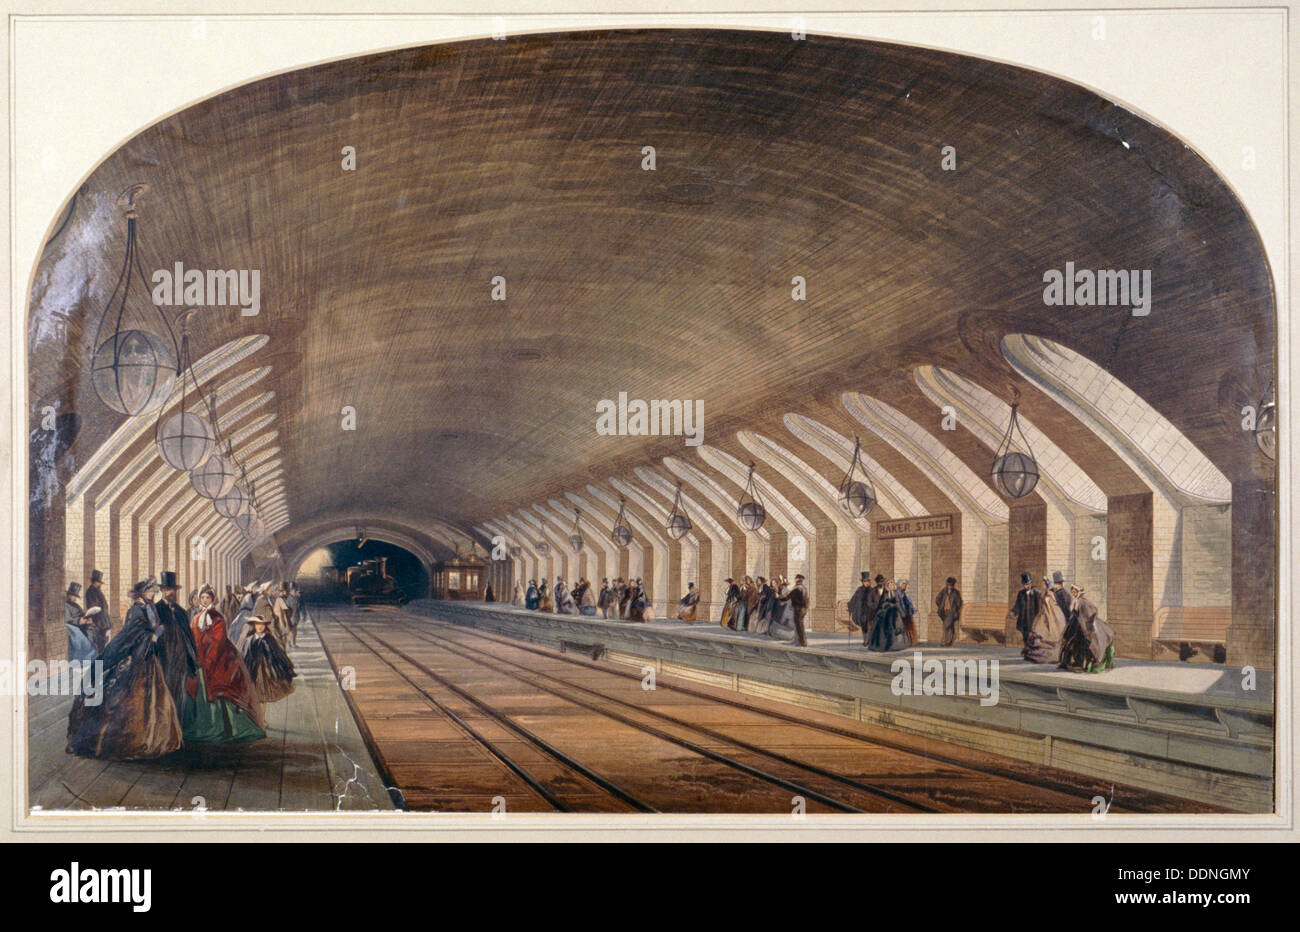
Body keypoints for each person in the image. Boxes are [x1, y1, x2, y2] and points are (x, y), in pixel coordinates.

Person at [66, 576, 185, 760]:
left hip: (149, 657)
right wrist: (150, 637)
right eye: (151, 590)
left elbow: (152, 627)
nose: (154, 593)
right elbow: (131, 634)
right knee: (126, 699)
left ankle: (155, 738)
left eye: (154, 590)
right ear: (142, 592)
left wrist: (157, 632)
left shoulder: (149, 606)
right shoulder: (136, 610)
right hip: (138, 658)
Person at [184, 584, 265, 743]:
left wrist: (208, 659)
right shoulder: (195, 618)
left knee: (220, 686)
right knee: (197, 688)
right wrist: (196, 656)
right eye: (202, 598)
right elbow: (194, 638)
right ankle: (202, 725)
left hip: (219, 658)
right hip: (200, 659)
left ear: (212, 599)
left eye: (207, 598)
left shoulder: (218, 618)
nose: (205, 600)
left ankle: (224, 728)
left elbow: (218, 641)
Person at [154, 572, 200, 722]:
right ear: (162, 591)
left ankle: (178, 733)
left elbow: (189, 637)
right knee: (163, 697)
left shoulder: (181, 612)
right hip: (164, 661)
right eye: (167, 590)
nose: (170, 593)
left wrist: (192, 660)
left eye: (172, 590)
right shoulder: (156, 610)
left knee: (179, 697)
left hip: (180, 662)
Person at [1059, 585, 1115, 673]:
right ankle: (1070, 663)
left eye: (1075, 592)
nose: (1073, 593)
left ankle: (1082, 665)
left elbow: (1093, 610)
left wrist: (1088, 621)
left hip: (1082, 626)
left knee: (1082, 646)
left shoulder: (1084, 601)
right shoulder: (1075, 601)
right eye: (1072, 592)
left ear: (1079, 592)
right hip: (1074, 625)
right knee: (1070, 644)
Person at [241, 613, 297, 702]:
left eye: (262, 625)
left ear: (265, 626)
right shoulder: (249, 639)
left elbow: (277, 653)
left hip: (267, 665)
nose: (260, 627)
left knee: (268, 679)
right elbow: (245, 653)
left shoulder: (269, 638)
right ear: (254, 626)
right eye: (258, 624)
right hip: (253, 664)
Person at [1022, 577, 1066, 665]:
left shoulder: (1049, 595)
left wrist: (1048, 618)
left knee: (1046, 634)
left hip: (1048, 616)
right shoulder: (1044, 593)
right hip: (1043, 615)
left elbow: (1050, 608)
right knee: (1038, 633)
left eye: (1043, 584)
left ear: (1046, 585)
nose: (1042, 585)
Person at [866, 579, 910, 652]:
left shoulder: (895, 593)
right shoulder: (885, 593)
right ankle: (884, 645)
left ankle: (896, 645)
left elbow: (898, 603)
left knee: (897, 626)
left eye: (892, 584)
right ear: (887, 586)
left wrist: (902, 612)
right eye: (889, 584)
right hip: (885, 612)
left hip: (894, 612)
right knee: (883, 628)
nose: (891, 585)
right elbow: (882, 602)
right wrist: (887, 605)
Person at [65, 583, 97, 664]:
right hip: (72, 625)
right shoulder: (65, 605)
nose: (75, 599)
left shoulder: (75, 605)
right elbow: (67, 619)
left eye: (76, 597)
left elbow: (82, 613)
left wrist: (87, 618)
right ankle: (85, 657)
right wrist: (79, 620)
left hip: (81, 624)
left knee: (92, 629)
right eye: (74, 596)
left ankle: (92, 654)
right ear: (69, 595)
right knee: (78, 636)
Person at [1009, 572, 1043, 647]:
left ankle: (1032, 653)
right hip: (1023, 620)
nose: (1027, 586)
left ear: (1031, 583)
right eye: (1025, 584)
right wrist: (1013, 612)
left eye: (1029, 584)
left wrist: (1038, 620)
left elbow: (1039, 608)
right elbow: (1017, 605)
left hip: (1033, 620)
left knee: (1033, 637)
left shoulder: (1037, 593)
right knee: (1025, 637)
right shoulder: (1021, 594)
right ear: (1023, 585)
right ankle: (1027, 652)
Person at [84, 570, 113, 653]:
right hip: (98, 622)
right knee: (99, 644)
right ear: (95, 582)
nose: (100, 584)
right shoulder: (91, 591)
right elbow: (94, 607)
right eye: (99, 582)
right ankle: (99, 665)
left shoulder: (97, 590)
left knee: (102, 643)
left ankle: (100, 664)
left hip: (102, 621)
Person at [935, 577, 963, 647]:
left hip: (951, 612)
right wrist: (941, 605)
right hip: (944, 611)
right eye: (948, 585)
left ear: (953, 585)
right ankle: (949, 641)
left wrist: (955, 609)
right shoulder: (943, 591)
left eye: (951, 585)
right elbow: (937, 599)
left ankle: (944, 641)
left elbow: (959, 603)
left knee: (946, 626)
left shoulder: (956, 593)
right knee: (950, 627)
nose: (949, 586)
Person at [847, 572, 874, 640]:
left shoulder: (872, 590)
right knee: (864, 626)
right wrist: (850, 606)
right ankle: (865, 639)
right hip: (862, 611)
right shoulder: (859, 590)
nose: (866, 583)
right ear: (862, 582)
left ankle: (869, 639)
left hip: (870, 611)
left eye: (868, 581)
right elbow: (854, 599)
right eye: (865, 581)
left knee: (870, 626)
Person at [789, 575, 809, 647]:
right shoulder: (804, 588)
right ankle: (801, 641)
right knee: (800, 626)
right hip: (803, 609)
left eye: (796, 579)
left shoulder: (797, 589)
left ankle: (802, 642)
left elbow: (790, 597)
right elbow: (806, 600)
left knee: (799, 626)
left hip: (798, 609)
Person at [898, 579, 917, 644]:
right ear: (900, 585)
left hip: (907, 613)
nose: (904, 586)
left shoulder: (904, 594)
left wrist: (913, 609)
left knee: (909, 628)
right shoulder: (897, 593)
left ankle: (909, 642)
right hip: (901, 614)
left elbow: (909, 602)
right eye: (903, 585)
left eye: (905, 585)